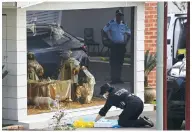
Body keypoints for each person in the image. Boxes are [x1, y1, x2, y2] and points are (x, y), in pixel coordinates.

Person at [103, 9, 131, 84]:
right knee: (113, 63)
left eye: (121, 16)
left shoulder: (123, 25)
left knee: (120, 63)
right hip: (114, 45)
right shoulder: (111, 23)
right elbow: (104, 30)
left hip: (121, 46)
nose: (120, 17)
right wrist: (109, 39)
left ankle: (118, 78)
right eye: (118, 15)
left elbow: (129, 34)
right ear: (116, 16)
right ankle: (113, 79)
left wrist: (126, 42)